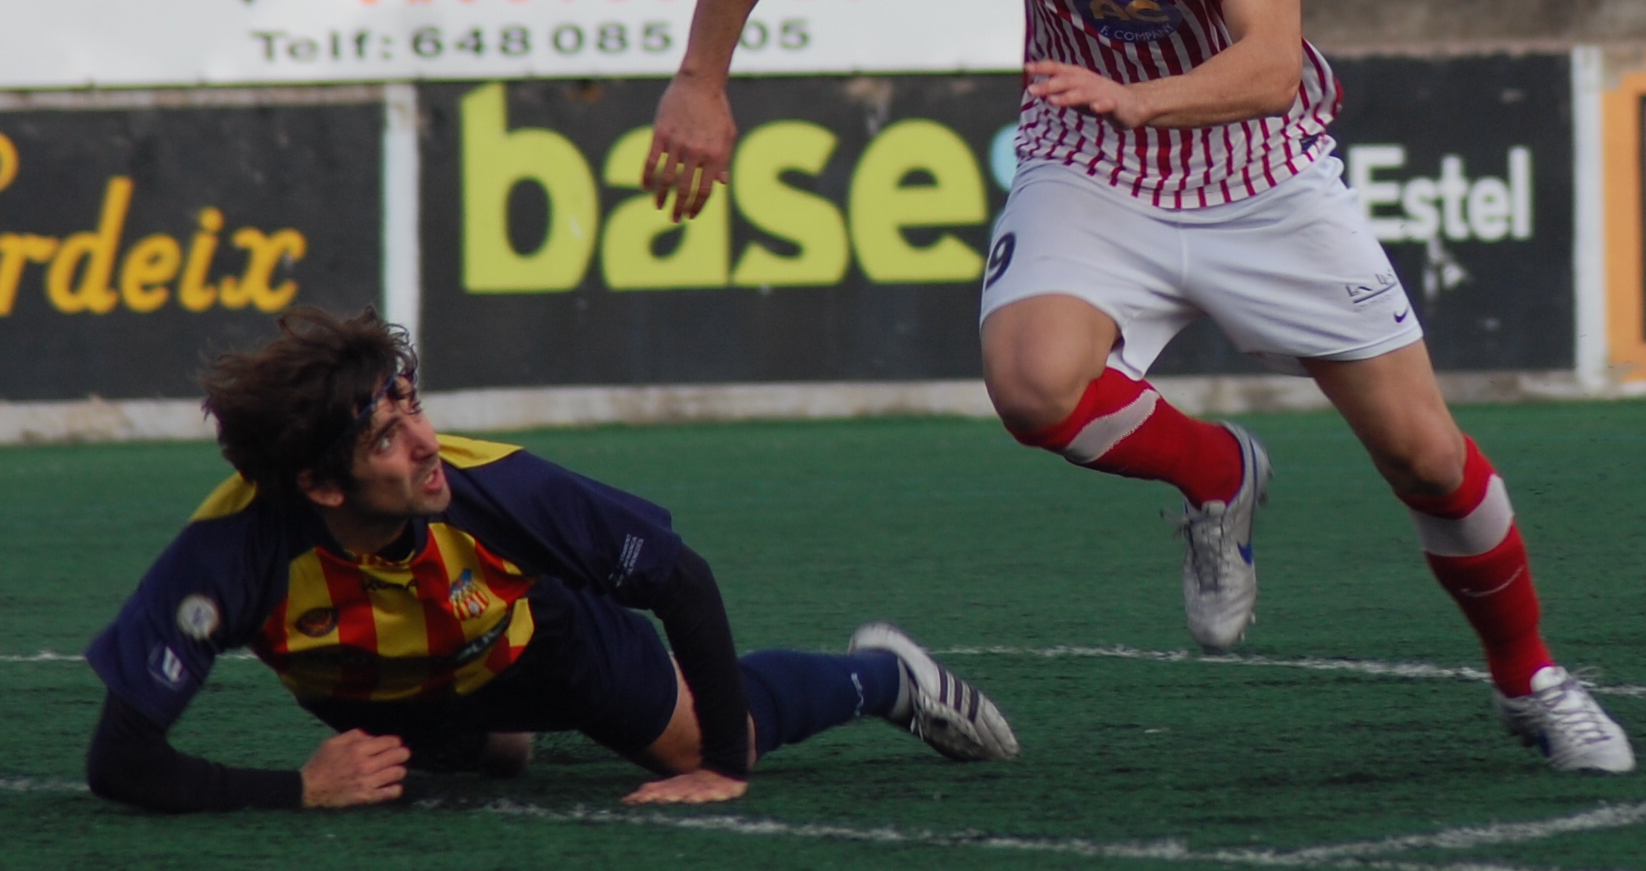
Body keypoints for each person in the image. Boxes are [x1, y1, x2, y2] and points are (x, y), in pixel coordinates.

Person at [643, 0, 1633, 774]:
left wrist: (1141, 94)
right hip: (1092, 159)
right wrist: (701, 80)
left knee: (1423, 456)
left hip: (1259, 169)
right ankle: (1215, 473)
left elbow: (1266, 68)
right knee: (1030, 385)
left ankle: (1532, 680)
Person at [83, 306, 1018, 812]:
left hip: (540, 641)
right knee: (479, 766)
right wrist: (298, 790)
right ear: (320, 486)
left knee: (694, 738)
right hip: (384, 689)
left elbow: (678, 578)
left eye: (415, 405)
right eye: (387, 437)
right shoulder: (227, 554)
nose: (425, 441)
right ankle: (492, 740)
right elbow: (121, 762)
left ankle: (883, 677)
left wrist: (726, 769)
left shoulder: (495, 490)